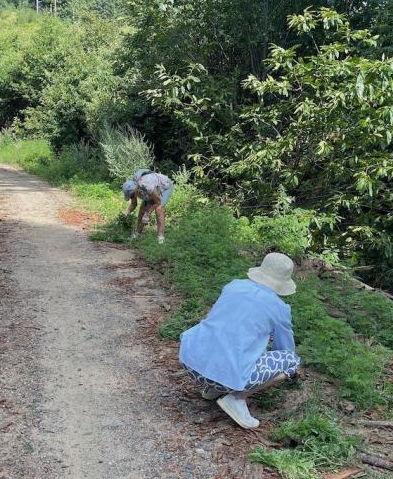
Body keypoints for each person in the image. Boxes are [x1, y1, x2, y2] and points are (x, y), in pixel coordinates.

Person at [179, 253, 301, 429]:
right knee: (292, 362)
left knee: (224, 340)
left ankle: (212, 390)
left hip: (190, 361)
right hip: (225, 374)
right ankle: (237, 398)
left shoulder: (234, 286)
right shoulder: (280, 308)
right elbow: (284, 350)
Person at [122, 169, 173, 243]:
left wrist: (147, 214)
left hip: (164, 187)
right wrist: (128, 212)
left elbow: (158, 201)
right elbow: (134, 204)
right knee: (142, 210)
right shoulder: (133, 187)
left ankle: (160, 237)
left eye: (132, 195)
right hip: (151, 190)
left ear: (135, 190)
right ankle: (138, 234)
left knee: (158, 209)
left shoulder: (146, 185)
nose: (132, 197)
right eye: (131, 196)